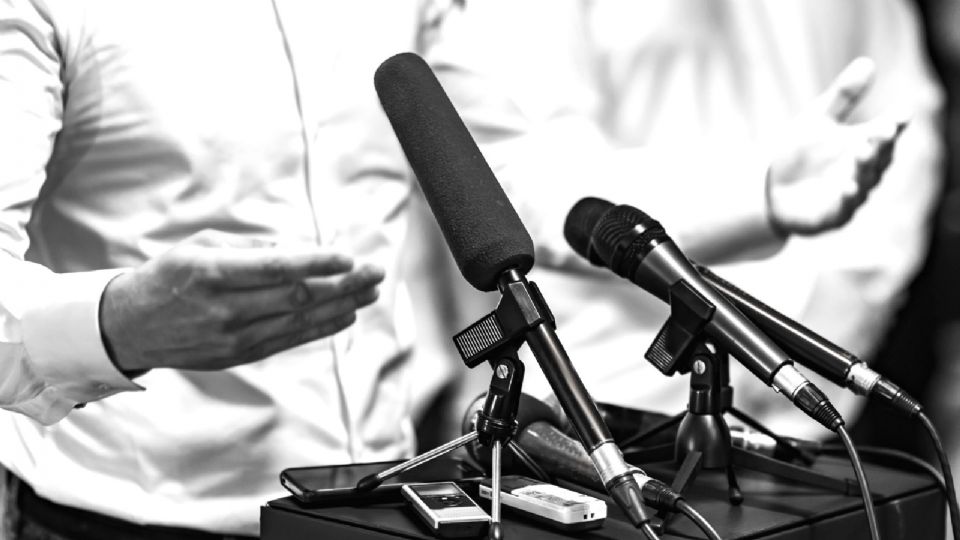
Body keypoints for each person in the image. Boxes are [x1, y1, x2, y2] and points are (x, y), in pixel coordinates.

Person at [0, 1, 911, 538]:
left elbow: (510, 172)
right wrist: (115, 325)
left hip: (383, 508)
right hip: (122, 517)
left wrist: (758, 191)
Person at [425, 0, 943, 443]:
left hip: (816, 403)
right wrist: (755, 192)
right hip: (601, 417)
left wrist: (841, 301)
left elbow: (905, 125)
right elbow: (526, 178)